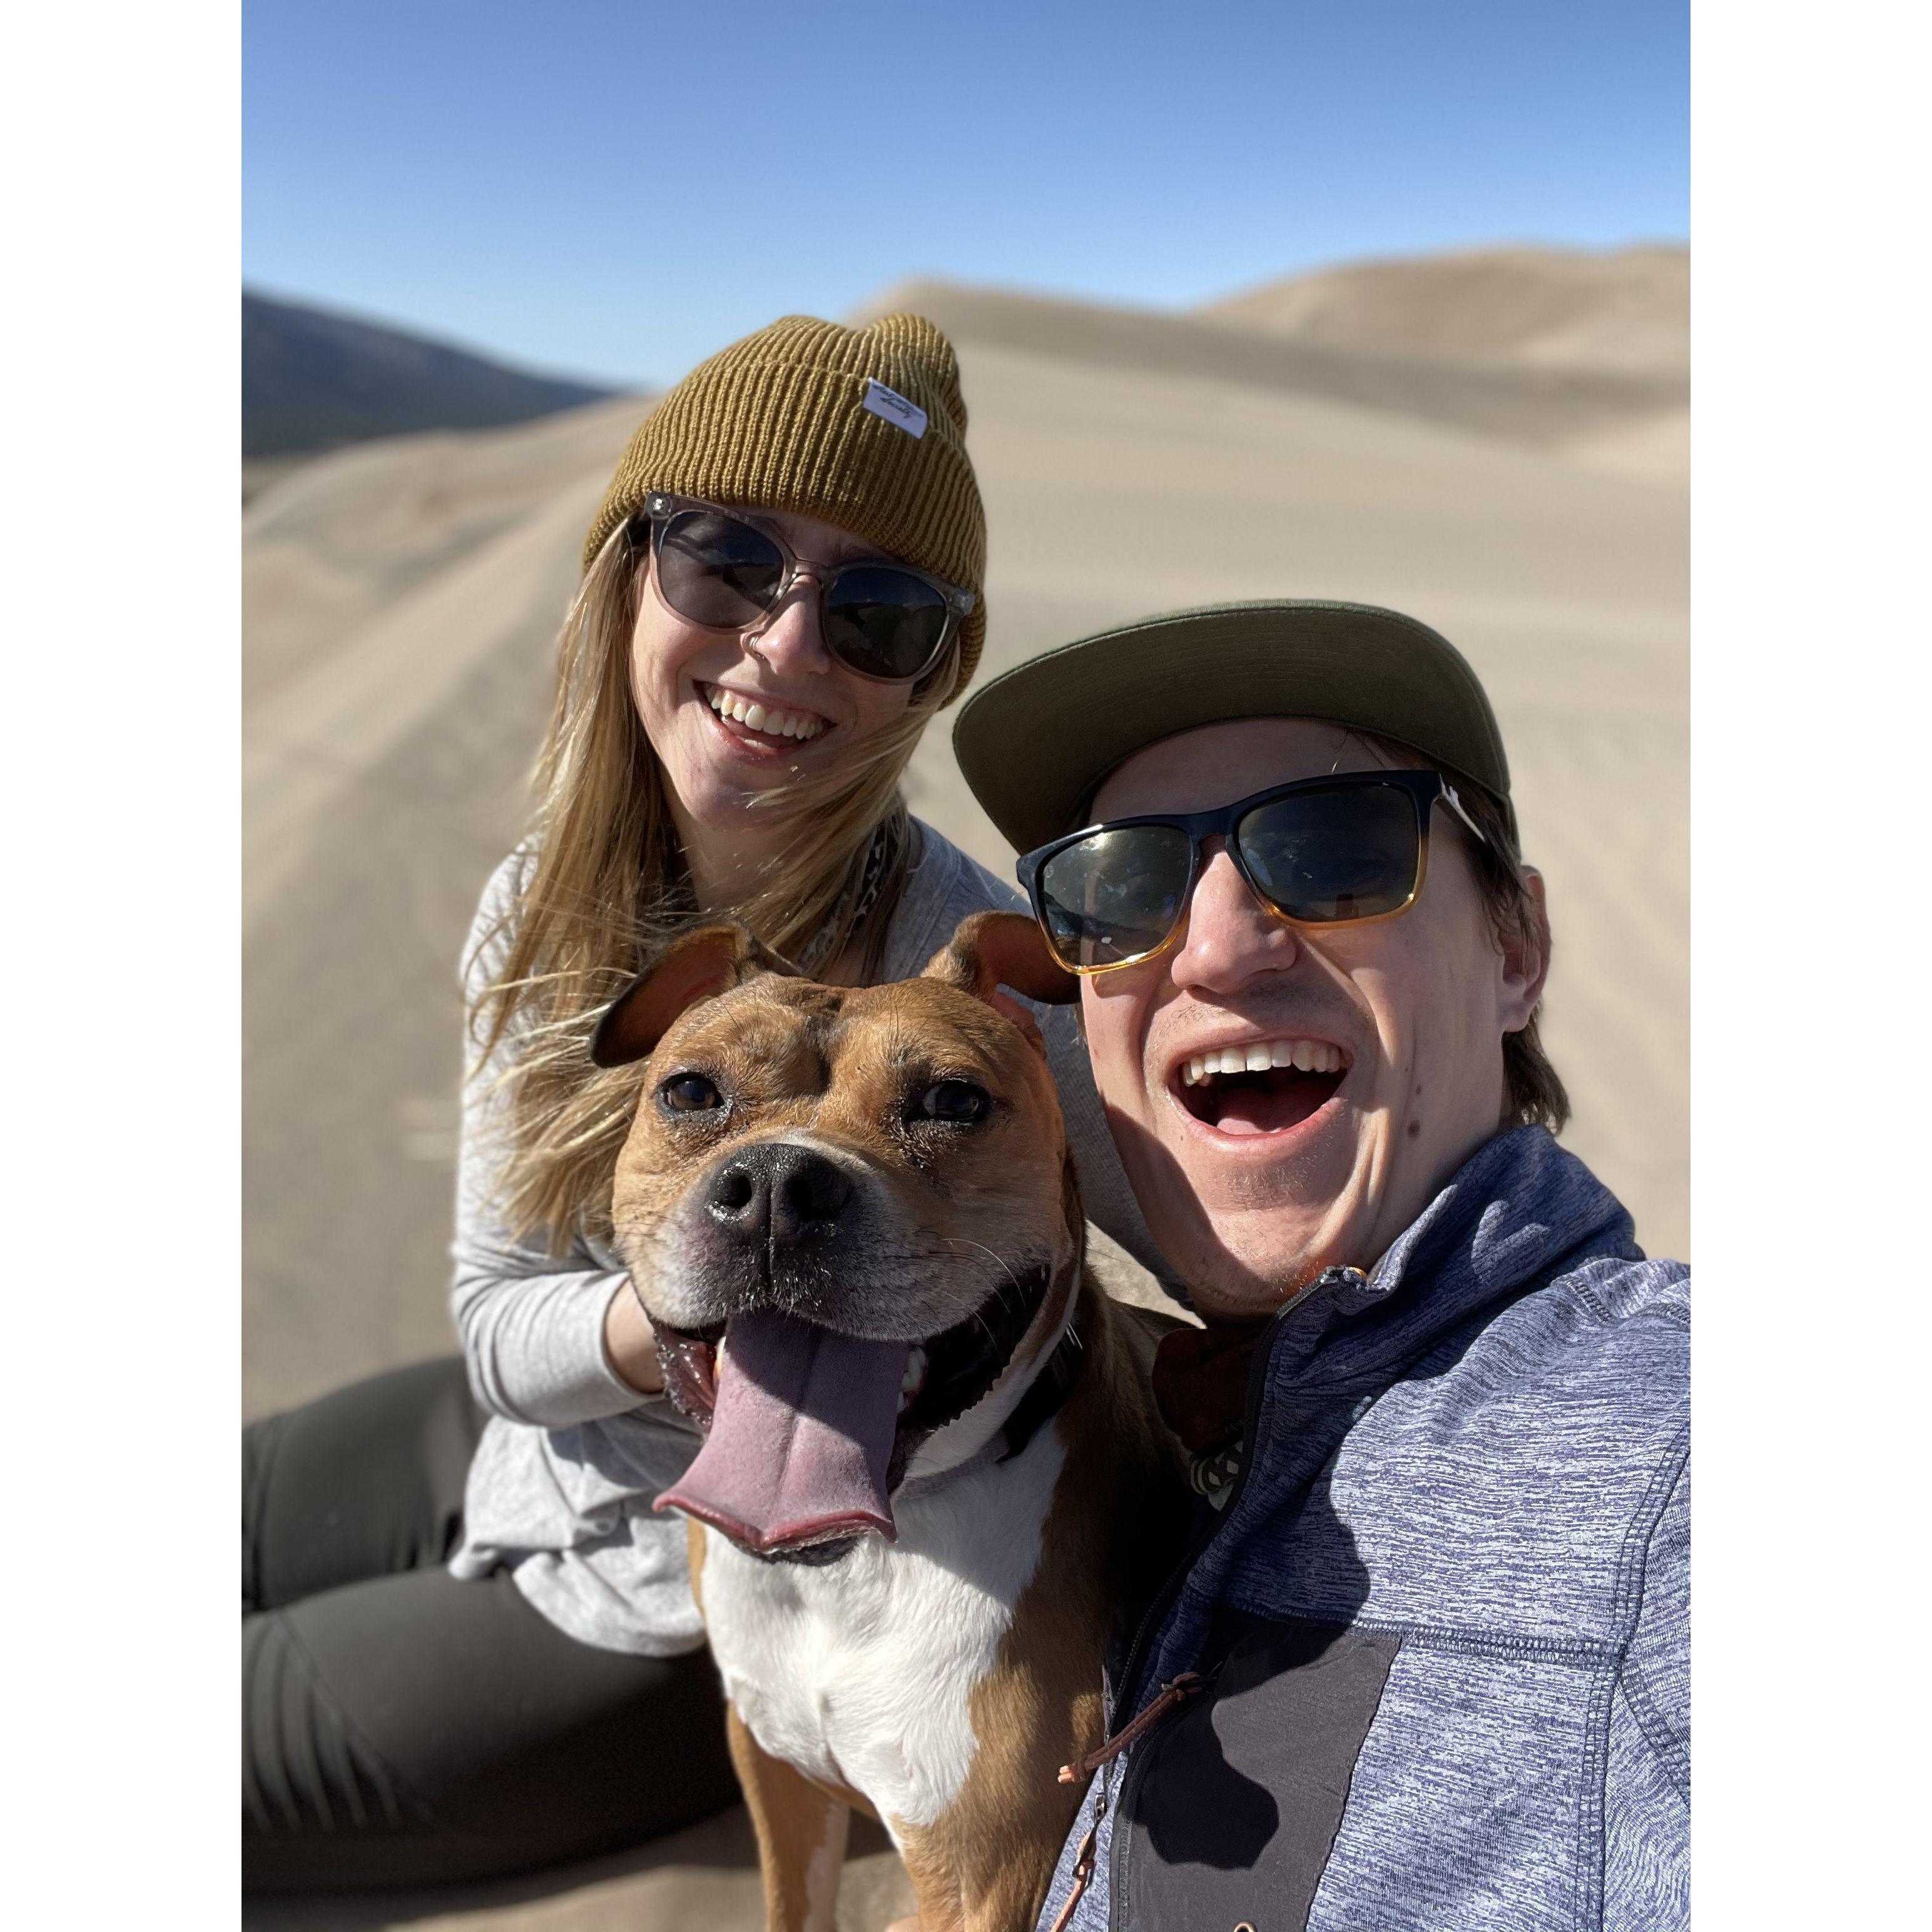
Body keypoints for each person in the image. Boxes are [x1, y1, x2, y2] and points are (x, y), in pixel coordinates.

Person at [241, 312, 1164, 1891]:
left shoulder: (992, 998)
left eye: (876, 612)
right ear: (625, 567)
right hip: (531, 1428)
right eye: (727, 556)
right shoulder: (543, 899)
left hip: (684, 1603)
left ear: (932, 674)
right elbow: (496, 1321)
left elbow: (1225, 1226)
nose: (786, 645)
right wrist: (698, 1305)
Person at [953, 599, 1689, 1931]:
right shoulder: (1157, 1429)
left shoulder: (1668, 1445)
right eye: (1119, 884)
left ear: (1514, 949)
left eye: (1336, 850)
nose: (1218, 944)